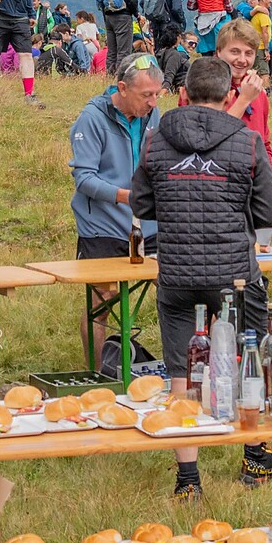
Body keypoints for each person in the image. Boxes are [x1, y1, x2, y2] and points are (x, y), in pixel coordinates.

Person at [130, 55, 272, 494]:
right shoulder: (247, 142)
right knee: (247, 363)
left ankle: (188, 478)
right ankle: (254, 457)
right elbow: (268, 212)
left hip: (177, 273)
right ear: (229, 96)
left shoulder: (157, 141)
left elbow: (141, 205)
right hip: (235, 275)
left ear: (182, 94)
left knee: (182, 374)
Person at [69, 53, 165, 370]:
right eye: (145, 95)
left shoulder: (154, 116)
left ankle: (180, 365)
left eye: (157, 94)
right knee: (101, 303)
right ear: (122, 88)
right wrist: (125, 196)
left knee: (175, 290)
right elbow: (84, 179)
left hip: (149, 227)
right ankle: (98, 375)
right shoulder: (91, 119)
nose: (152, 102)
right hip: (103, 229)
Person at [212, 18, 272, 159]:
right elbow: (209, 138)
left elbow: (264, 144)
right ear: (219, 52)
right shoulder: (201, 87)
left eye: (249, 53)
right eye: (235, 52)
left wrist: (266, 178)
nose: (242, 60)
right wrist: (244, 99)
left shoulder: (258, 91)